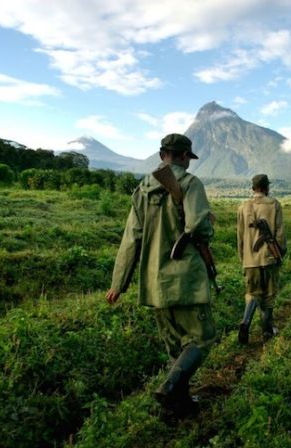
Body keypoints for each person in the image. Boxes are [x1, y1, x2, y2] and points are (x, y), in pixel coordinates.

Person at [105, 133, 216, 420]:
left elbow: (131, 239)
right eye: (187, 159)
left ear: (160, 155)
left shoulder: (142, 190)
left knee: (176, 347)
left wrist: (119, 284)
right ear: (183, 157)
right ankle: (168, 388)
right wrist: (208, 228)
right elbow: (198, 227)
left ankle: (179, 405)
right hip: (186, 280)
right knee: (201, 339)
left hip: (155, 284)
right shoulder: (190, 183)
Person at [236, 174, 287, 344]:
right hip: (270, 258)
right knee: (269, 294)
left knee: (252, 293)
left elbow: (240, 238)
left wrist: (244, 258)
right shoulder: (274, 205)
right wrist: (280, 254)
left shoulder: (243, 207)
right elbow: (280, 235)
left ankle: (245, 322)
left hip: (250, 260)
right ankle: (266, 331)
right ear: (267, 188)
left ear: (253, 188)